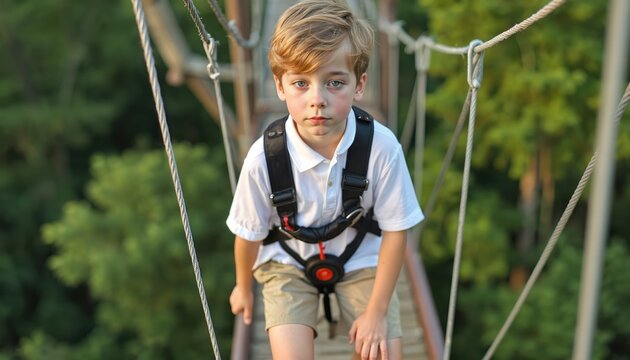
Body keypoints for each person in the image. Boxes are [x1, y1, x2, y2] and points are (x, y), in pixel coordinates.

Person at [227, 0, 424, 359]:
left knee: (384, 353)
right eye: (301, 83)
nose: (317, 100)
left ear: (359, 85)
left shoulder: (382, 148)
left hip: (362, 259)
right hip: (287, 262)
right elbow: (248, 234)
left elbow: (397, 231)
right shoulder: (263, 159)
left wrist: (376, 313)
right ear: (280, 87)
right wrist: (243, 286)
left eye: (335, 83)